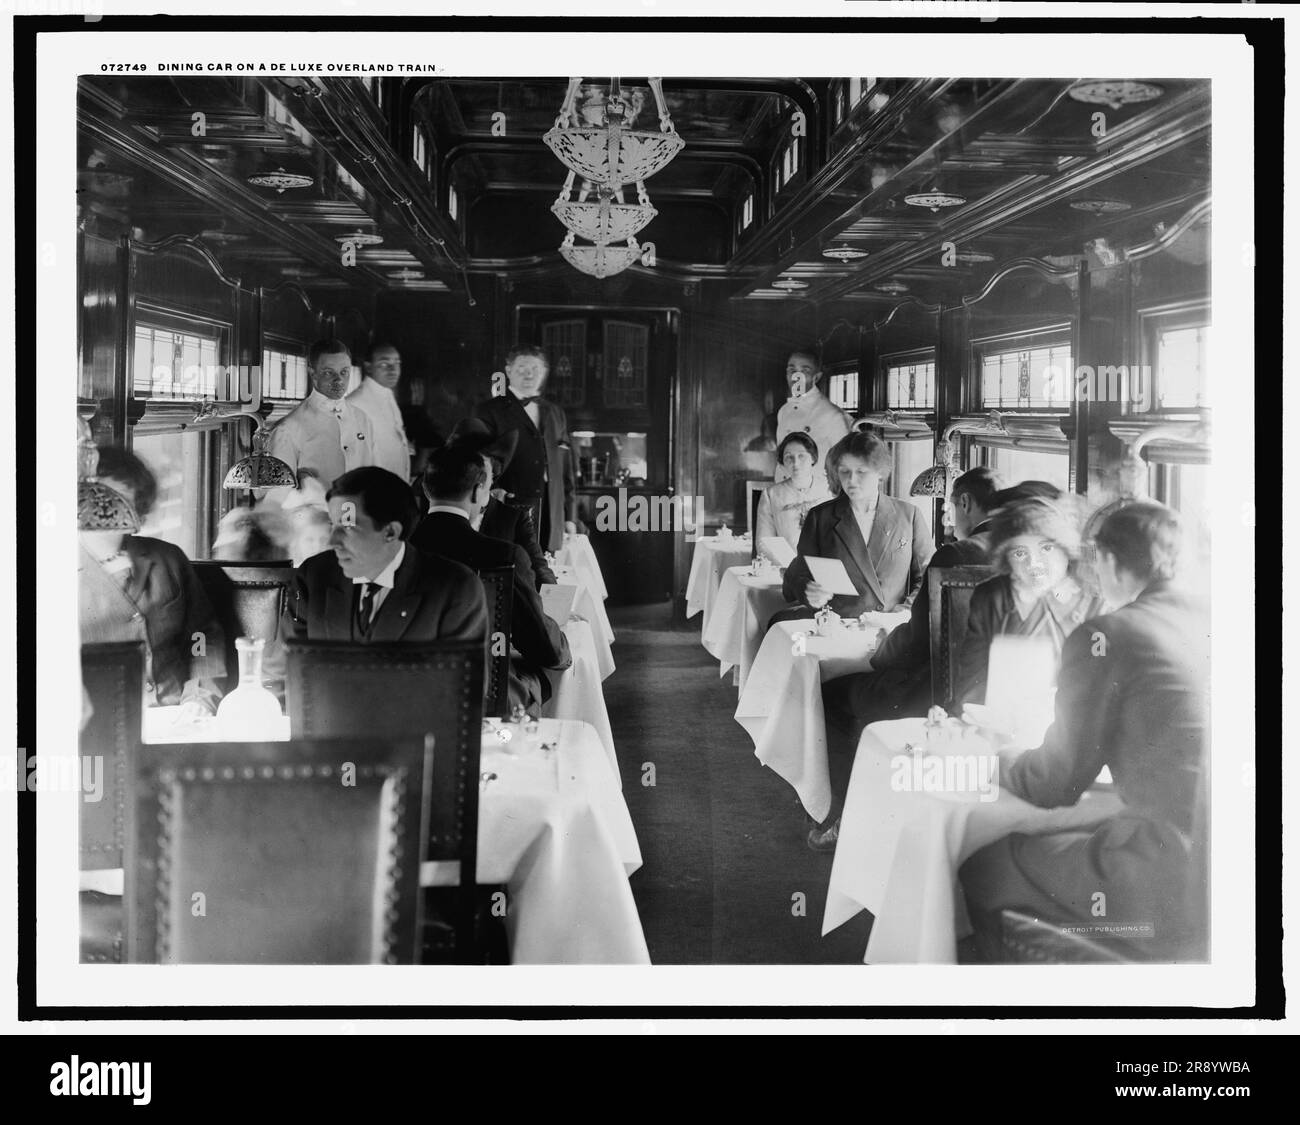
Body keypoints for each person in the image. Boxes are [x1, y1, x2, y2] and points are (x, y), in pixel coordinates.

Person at [958, 502, 1209, 962]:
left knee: (981, 862)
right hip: (1241, 870)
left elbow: (1054, 782)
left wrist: (1000, 758)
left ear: (1108, 561)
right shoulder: (1218, 620)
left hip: (1170, 869)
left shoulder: (1108, 632)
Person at [810, 467, 1002, 851]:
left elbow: (915, 641)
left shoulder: (955, 554)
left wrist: (879, 647)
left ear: (965, 503)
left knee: (830, 695)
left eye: (951, 507)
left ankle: (844, 817)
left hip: (929, 692)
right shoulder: (1028, 554)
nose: (950, 518)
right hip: (992, 698)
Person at [265, 467, 488, 696]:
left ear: (390, 532)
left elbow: (462, 696)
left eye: (348, 527)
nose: (333, 541)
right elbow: (281, 674)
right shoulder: (313, 577)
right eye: (333, 526)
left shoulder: (455, 588)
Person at [412, 445, 571, 715]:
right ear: (478, 491)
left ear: (426, 489)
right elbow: (542, 646)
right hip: (485, 698)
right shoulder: (503, 555)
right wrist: (566, 646)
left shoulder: (399, 550)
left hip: (409, 694)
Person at [78, 446, 226, 717]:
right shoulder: (50, 572)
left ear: (137, 506)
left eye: (121, 498)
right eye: (100, 496)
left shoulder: (168, 559)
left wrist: (199, 695)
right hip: (101, 723)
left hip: (177, 714)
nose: (108, 508)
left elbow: (201, 634)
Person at [951, 495, 1103, 709]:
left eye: (1046, 548)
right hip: (1001, 725)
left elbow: (1102, 690)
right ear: (1007, 558)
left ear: (1066, 549)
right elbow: (970, 682)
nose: (1034, 563)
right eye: (1020, 553)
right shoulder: (992, 597)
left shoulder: (1095, 602)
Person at [777, 430, 933, 624]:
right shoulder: (821, 517)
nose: (851, 481)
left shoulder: (909, 516)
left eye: (861, 472)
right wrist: (808, 589)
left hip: (892, 626)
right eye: (844, 472)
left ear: (880, 473)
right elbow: (796, 574)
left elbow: (929, 576)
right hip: (837, 625)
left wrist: (905, 611)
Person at [473, 345, 576, 552]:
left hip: (551, 510)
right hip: (508, 506)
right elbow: (477, 461)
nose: (528, 373)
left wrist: (570, 517)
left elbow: (566, 470)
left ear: (545, 373)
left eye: (535, 368)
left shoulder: (556, 413)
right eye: (522, 367)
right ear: (508, 371)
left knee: (547, 572)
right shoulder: (489, 411)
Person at [445, 417, 556, 589]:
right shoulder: (433, 512)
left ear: (493, 471)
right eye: (466, 467)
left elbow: (540, 570)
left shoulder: (514, 519)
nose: (474, 476)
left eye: (480, 468)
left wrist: (556, 606)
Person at [266, 338, 375, 488]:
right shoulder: (288, 428)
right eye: (329, 373)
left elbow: (374, 477)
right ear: (313, 373)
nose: (339, 380)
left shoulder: (362, 419)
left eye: (344, 372)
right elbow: (276, 495)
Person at [774, 349, 851, 484]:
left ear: (816, 377)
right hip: (783, 492)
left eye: (805, 371)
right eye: (792, 370)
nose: (796, 376)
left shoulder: (832, 415)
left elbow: (846, 464)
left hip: (816, 497)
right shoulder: (784, 411)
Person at [754, 432, 834, 552]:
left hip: (824, 564)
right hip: (786, 566)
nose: (796, 463)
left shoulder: (829, 490)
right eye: (789, 457)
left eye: (801, 456)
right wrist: (790, 565)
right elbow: (764, 541)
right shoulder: (771, 495)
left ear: (813, 458)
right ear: (782, 464)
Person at [347, 340, 411, 481]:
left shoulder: (387, 395)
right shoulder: (355, 405)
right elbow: (352, 464)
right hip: (372, 492)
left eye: (397, 363)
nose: (393, 370)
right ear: (368, 367)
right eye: (384, 364)